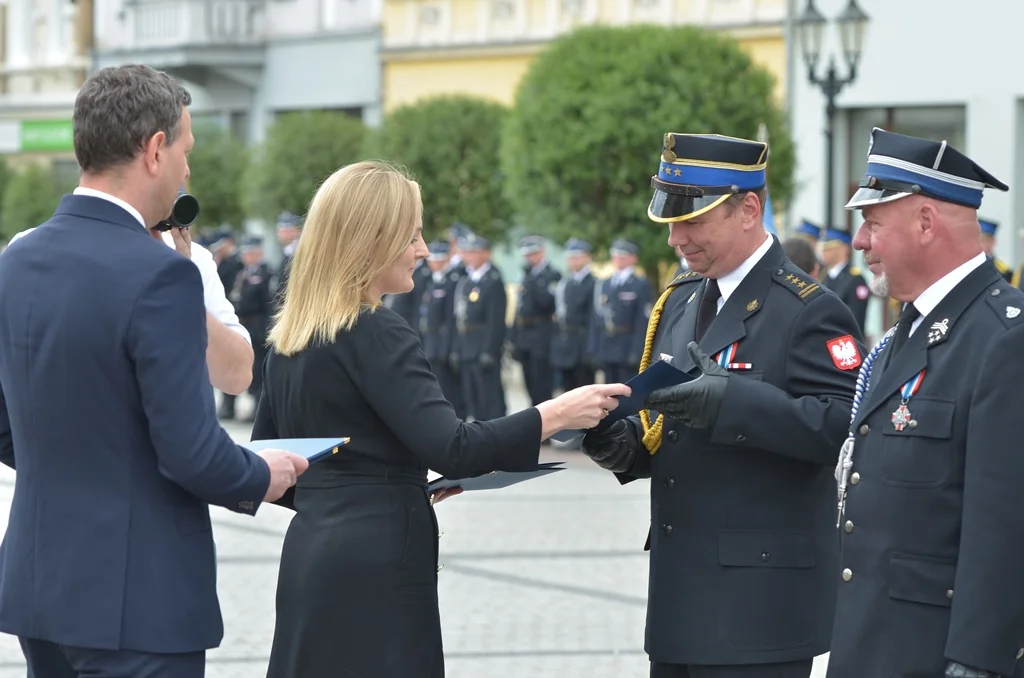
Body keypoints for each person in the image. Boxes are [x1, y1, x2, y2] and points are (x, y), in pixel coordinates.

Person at [252, 160, 630, 678]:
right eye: (412, 235)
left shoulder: (288, 339)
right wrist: (556, 413)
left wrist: (381, 484)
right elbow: (453, 447)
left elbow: (274, 467)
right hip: (377, 560)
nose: (423, 250)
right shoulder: (377, 330)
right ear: (371, 238)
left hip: (313, 555)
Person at [0, 64, 308, 678]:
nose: (188, 169)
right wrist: (263, 472)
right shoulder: (162, 271)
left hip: (41, 587)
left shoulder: (18, 259)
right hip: (137, 598)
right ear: (155, 148)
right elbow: (191, 454)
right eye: (186, 150)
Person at [580, 132, 865, 678]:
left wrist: (733, 403)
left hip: (758, 605)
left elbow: (842, 428)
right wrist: (622, 446)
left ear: (748, 209)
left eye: (693, 221)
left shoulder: (809, 310)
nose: (676, 239)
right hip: (679, 596)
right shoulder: (682, 298)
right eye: (671, 223)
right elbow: (666, 423)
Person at [830, 128, 1024, 678]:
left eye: (872, 223)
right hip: (872, 639)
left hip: (935, 652)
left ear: (925, 223)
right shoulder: (907, 333)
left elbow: (1007, 521)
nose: (861, 242)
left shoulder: (1004, 337)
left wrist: (978, 659)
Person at [8, 214, 255, 399]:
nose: (186, 171)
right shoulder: (31, 248)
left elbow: (237, 376)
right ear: (153, 157)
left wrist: (181, 291)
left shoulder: (190, 256)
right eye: (183, 154)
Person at [511, 234, 561, 405]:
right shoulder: (525, 274)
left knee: (542, 383)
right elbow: (519, 306)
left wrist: (532, 283)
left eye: (533, 253)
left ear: (542, 252)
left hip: (542, 332)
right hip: (525, 334)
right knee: (529, 381)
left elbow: (547, 303)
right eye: (527, 255)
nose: (529, 258)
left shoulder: (552, 275)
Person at [550, 237, 597, 391]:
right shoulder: (566, 283)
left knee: (585, 390)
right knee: (567, 390)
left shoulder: (594, 283)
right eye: (570, 257)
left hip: (584, 343)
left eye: (577, 256)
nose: (573, 260)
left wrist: (592, 348)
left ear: (587, 257)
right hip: (567, 344)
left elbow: (594, 318)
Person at [819, 227, 871, 333]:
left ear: (844, 248)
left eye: (830, 247)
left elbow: (857, 319)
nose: (824, 251)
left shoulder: (855, 279)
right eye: (824, 248)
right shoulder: (823, 277)